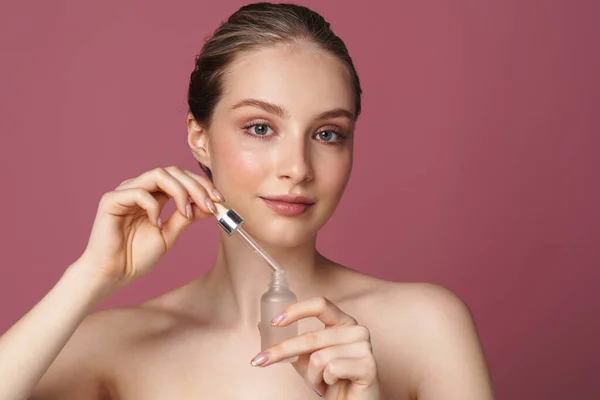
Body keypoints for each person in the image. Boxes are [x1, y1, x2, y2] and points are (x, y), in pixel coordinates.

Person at [0, 3, 495, 399]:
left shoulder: (425, 326)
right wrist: (90, 277)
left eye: (327, 133)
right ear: (200, 138)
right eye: (260, 128)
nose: (297, 168)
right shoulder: (115, 345)